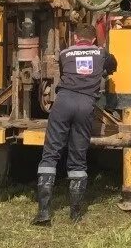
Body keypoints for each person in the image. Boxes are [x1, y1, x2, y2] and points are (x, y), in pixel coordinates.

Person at [33, 23, 117, 225]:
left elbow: (64, 72)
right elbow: (112, 66)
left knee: (50, 154)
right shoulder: (101, 52)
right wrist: (102, 73)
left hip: (63, 102)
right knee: (78, 158)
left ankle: (44, 213)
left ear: (76, 38)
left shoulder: (65, 53)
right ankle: (76, 214)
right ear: (94, 39)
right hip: (86, 104)